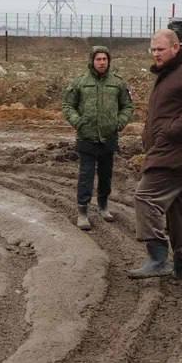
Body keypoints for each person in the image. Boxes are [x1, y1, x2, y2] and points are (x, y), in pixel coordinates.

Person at [128, 29, 182, 280]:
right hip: (166, 150)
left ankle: (158, 258)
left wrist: (171, 132)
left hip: (176, 152)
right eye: (153, 49)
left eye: (160, 49)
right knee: (176, 208)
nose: (155, 54)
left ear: (176, 47)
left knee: (145, 197)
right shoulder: (170, 74)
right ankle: (181, 264)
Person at [62, 46, 134, 230]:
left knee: (106, 175)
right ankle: (82, 212)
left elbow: (127, 106)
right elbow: (68, 105)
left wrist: (119, 123)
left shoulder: (117, 83)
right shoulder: (80, 82)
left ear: (109, 61)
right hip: (87, 137)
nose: (102, 62)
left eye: (104, 59)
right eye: (98, 59)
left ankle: (103, 206)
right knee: (86, 176)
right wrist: (78, 122)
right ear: (92, 61)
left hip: (108, 137)